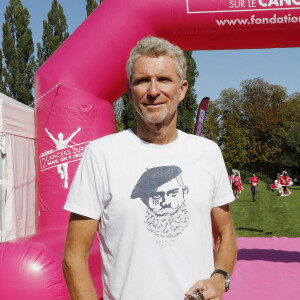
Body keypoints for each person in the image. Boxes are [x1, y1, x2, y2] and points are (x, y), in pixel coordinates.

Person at [62, 36, 237, 300]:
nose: (153, 91)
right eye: (143, 81)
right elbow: (74, 258)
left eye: (164, 80)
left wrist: (219, 278)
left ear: (182, 89)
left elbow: (225, 234)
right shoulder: (101, 155)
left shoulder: (208, 152)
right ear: (129, 89)